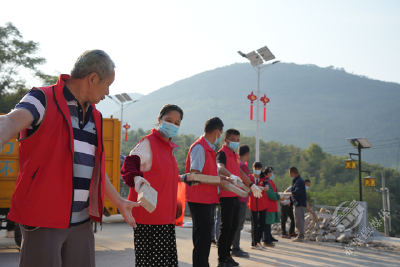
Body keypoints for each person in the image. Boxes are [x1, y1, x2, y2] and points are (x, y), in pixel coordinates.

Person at [0, 50, 140, 267]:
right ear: (92, 79)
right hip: (43, 218)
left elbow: (95, 170)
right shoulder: (42, 98)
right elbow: (11, 122)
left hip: (82, 223)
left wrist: (119, 201)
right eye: (107, 84)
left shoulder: (95, 116)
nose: (108, 92)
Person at [121, 104, 194, 267]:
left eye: (177, 123)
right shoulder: (149, 143)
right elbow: (129, 164)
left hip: (165, 218)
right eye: (169, 120)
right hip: (150, 218)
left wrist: (182, 178)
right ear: (159, 120)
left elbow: (164, 176)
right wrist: (136, 179)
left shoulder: (168, 148)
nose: (173, 125)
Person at [185, 117, 232, 267]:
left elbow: (210, 174)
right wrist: (218, 181)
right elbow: (195, 175)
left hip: (207, 199)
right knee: (202, 239)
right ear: (217, 132)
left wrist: (225, 179)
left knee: (205, 239)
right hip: (200, 199)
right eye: (220, 134)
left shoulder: (208, 149)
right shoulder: (200, 147)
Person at [216, 129, 263, 267]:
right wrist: (230, 175)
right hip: (226, 195)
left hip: (235, 195)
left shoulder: (235, 154)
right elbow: (220, 167)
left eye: (237, 140)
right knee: (226, 228)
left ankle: (227, 255)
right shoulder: (222, 153)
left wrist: (251, 185)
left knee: (233, 227)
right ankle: (221, 260)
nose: (235, 142)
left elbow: (240, 172)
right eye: (233, 140)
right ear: (226, 140)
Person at [231, 144, 250, 258]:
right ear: (247, 154)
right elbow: (245, 182)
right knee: (238, 226)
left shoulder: (236, 163)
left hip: (236, 197)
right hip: (241, 198)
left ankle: (234, 246)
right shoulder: (243, 165)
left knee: (234, 225)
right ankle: (235, 248)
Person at [248, 162, 268, 250]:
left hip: (262, 202)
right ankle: (254, 243)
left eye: (258, 168)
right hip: (252, 203)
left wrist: (261, 188)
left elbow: (267, 188)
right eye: (255, 168)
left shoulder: (264, 178)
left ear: (261, 168)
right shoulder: (249, 177)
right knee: (254, 223)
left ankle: (258, 241)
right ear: (252, 168)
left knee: (262, 223)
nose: (257, 170)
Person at [262, 167, 283, 247]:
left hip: (272, 205)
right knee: (267, 223)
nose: (272, 174)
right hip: (268, 205)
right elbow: (270, 194)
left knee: (269, 223)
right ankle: (266, 240)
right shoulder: (266, 181)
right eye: (272, 173)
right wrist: (279, 196)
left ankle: (269, 237)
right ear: (268, 173)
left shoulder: (270, 181)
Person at [289, 167, 307, 242]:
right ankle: (300, 235)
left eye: (290, 173)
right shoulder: (296, 180)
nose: (290, 175)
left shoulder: (299, 181)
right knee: (298, 220)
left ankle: (300, 236)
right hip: (297, 203)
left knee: (299, 220)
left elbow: (296, 192)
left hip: (299, 203)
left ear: (292, 173)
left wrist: (288, 194)